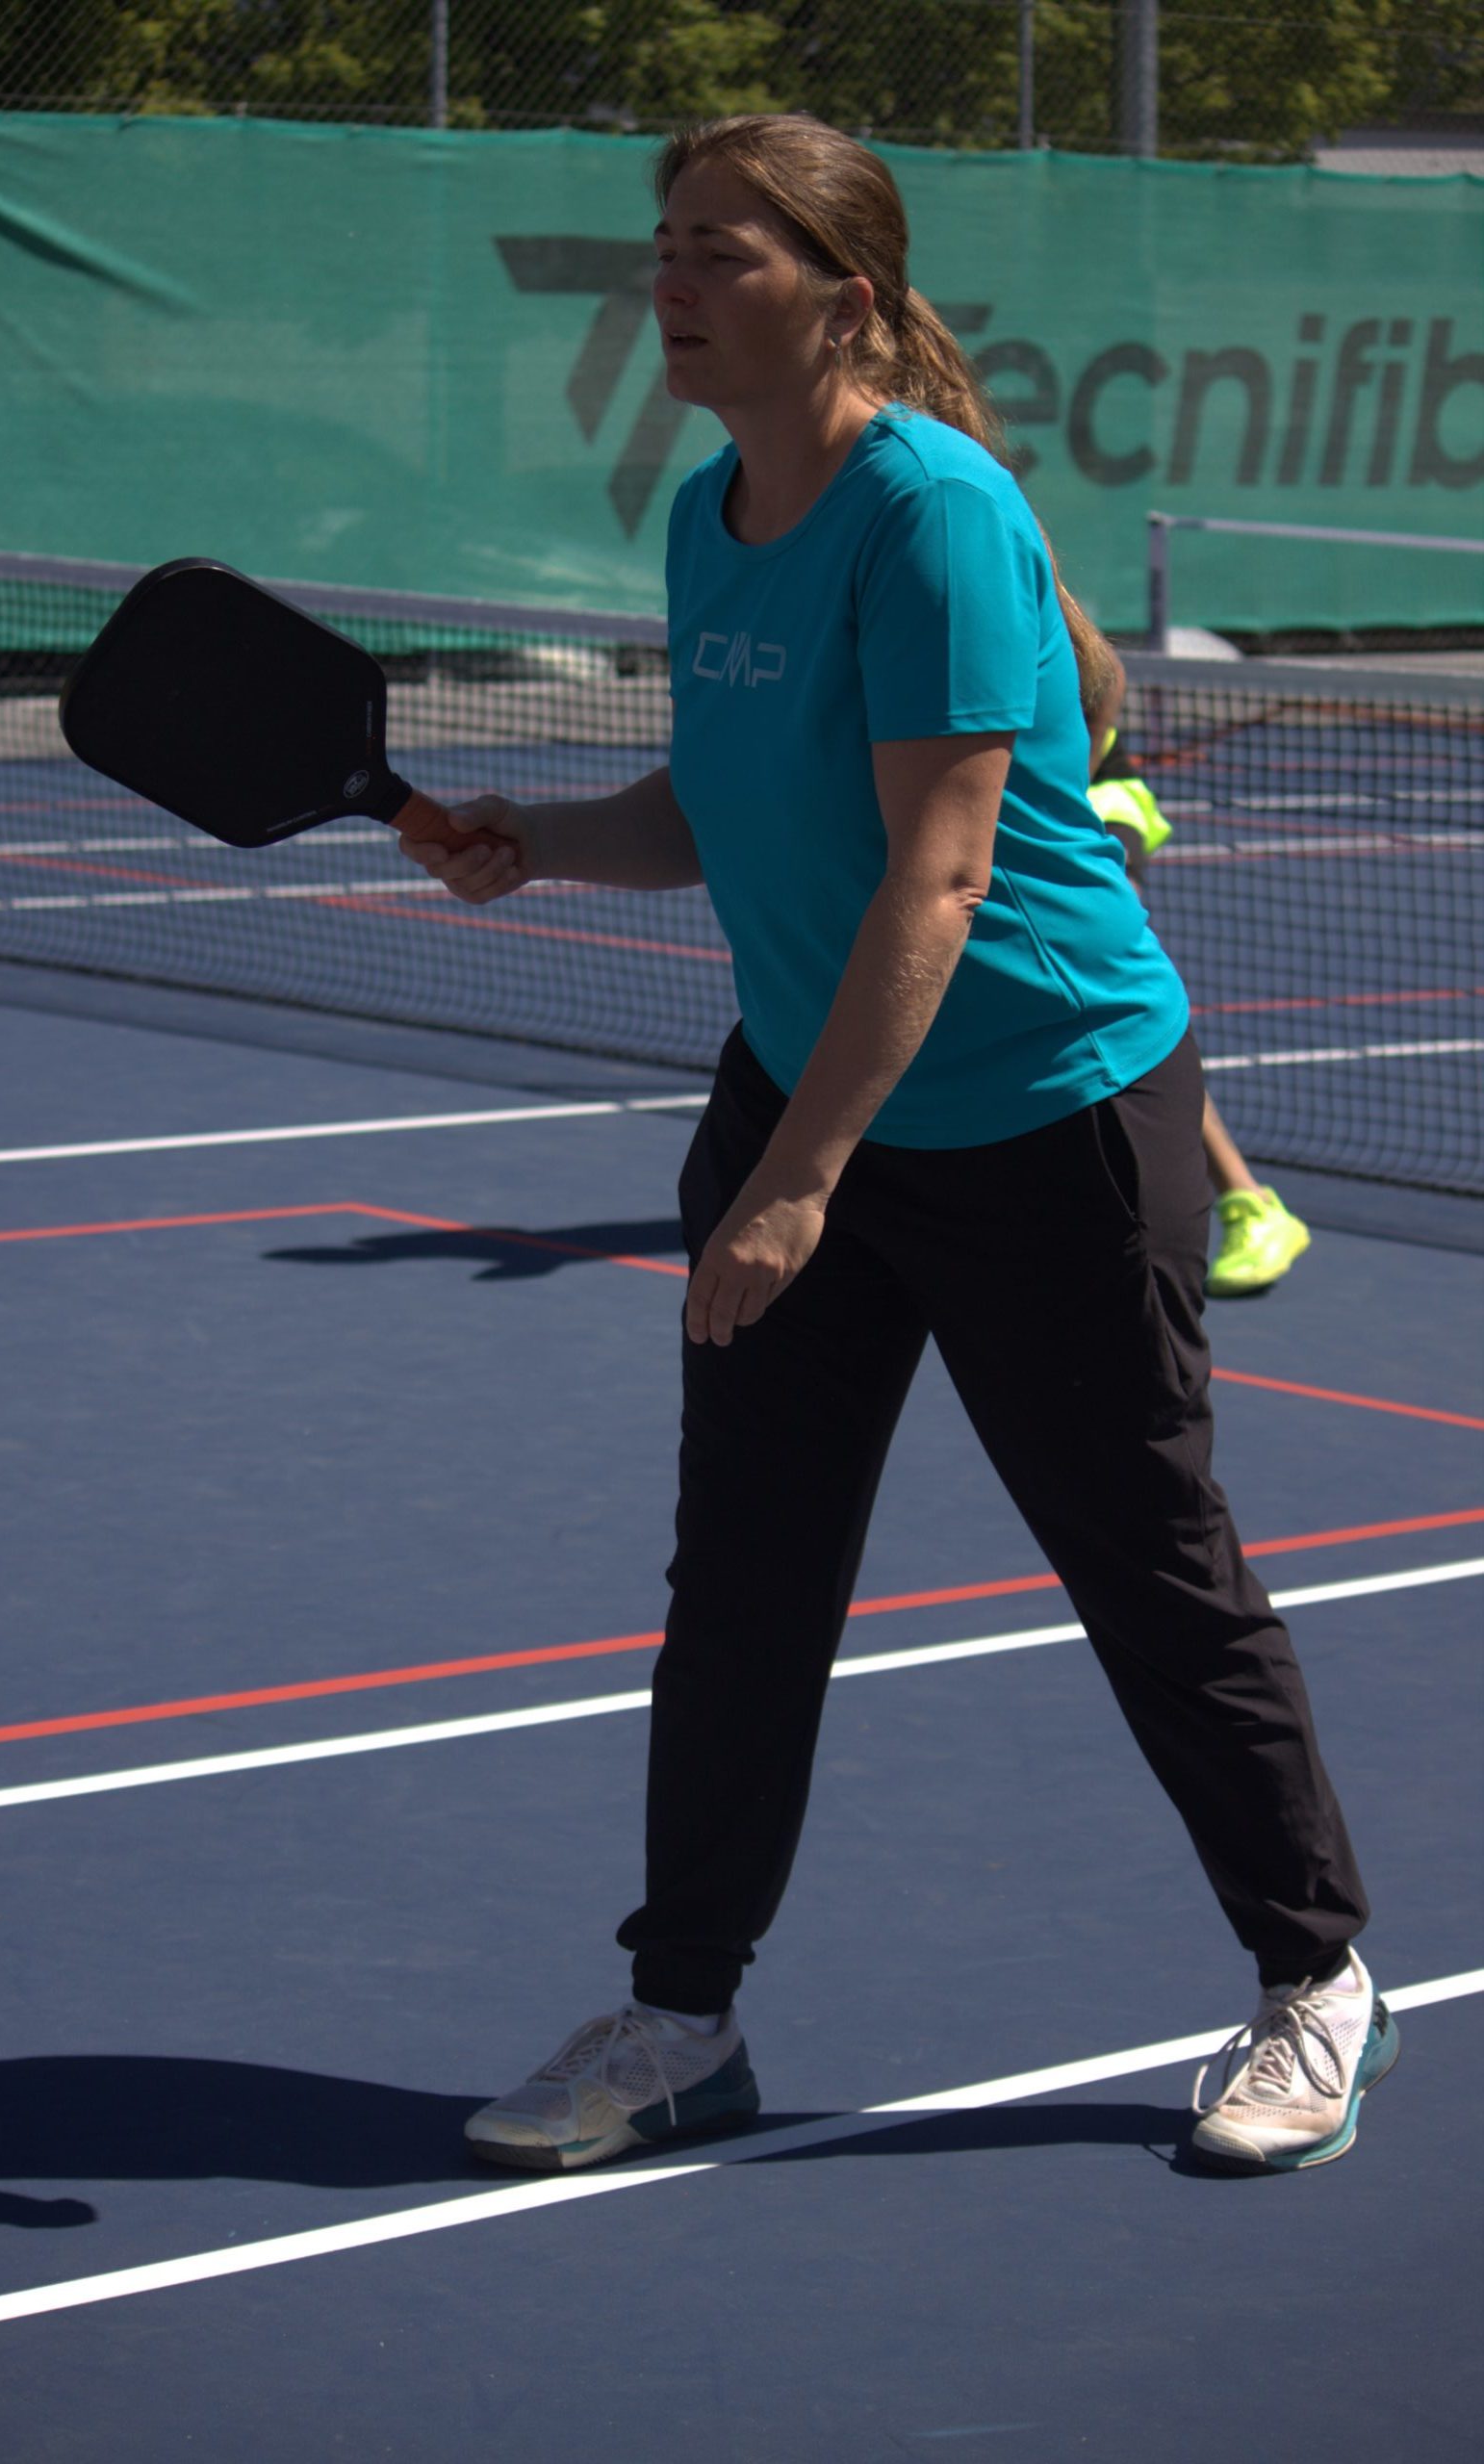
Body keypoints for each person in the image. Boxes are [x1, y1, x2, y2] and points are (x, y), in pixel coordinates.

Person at [398, 114, 1395, 2176]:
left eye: (723, 251)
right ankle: (682, 2015)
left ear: (841, 296)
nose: (671, 283)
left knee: (1147, 1565)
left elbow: (934, 881)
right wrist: (537, 838)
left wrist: (794, 1181)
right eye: (666, 245)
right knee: (743, 1586)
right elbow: (712, 803)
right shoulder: (710, 514)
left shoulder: (932, 512)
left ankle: (1314, 1976)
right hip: (811, 1095)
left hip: (1041, 1114)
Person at [1083, 651, 1314, 1299]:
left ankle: (1249, 1203)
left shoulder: (1104, 789)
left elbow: (1103, 685)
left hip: (1097, 810)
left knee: (1110, 1007)